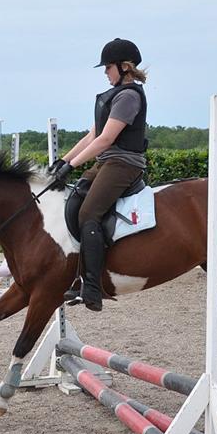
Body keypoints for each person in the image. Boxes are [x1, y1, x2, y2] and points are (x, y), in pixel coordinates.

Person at [49, 38, 148, 311]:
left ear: (124, 67)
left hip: (123, 164)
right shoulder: (115, 95)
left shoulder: (128, 95)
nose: (105, 72)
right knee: (75, 200)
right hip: (107, 162)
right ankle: (78, 274)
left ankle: (92, 286)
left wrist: (72, 166)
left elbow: (105, 140)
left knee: (88, 213)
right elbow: (92, 135)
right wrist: (64, 160)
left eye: (108, 67)